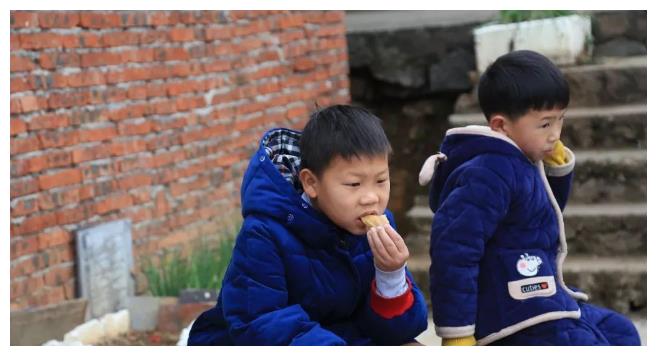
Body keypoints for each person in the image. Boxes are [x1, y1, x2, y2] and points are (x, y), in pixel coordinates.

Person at [418, 50, 641, 346]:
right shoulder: (487, 172)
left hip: (541, 297)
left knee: (621, 331)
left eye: (561, 120)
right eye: (545, 124)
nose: (556, 134)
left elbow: (536, 218)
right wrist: (458, 333)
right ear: (500, 125)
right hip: (512, 316)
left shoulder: (520, 158)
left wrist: (557, 172)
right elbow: (453, 251)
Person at [188, 105, 428, 345]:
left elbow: (398, 332)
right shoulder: (264, 234)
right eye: (354, 184)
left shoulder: (376, 226)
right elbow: (259, 322)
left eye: (380, 180)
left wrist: (391, 275)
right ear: (311, 183)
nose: (371, 197)